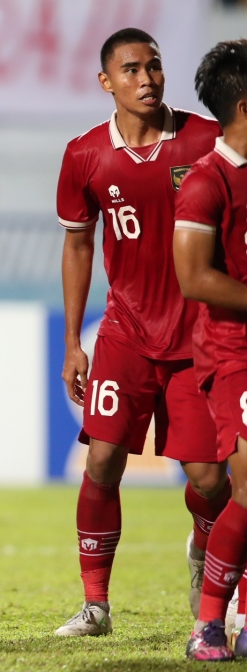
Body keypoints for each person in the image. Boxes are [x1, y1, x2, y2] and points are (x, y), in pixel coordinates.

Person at [54, 27, 226, 637]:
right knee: (102, 460)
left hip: (199, 337)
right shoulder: (84, 155)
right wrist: (75, 341)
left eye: (154, 66)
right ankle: (95, 604)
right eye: (130, 70)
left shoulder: (208, 139)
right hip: (126, 331)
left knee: (209, 478)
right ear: (107, 82)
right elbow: (78, 245)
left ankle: (207, 550)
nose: (146, 78)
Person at [174, 39, 247, 661]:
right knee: (246, 491)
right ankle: (209, 623)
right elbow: (194, 278)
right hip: (236, 354)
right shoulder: (206, 182)